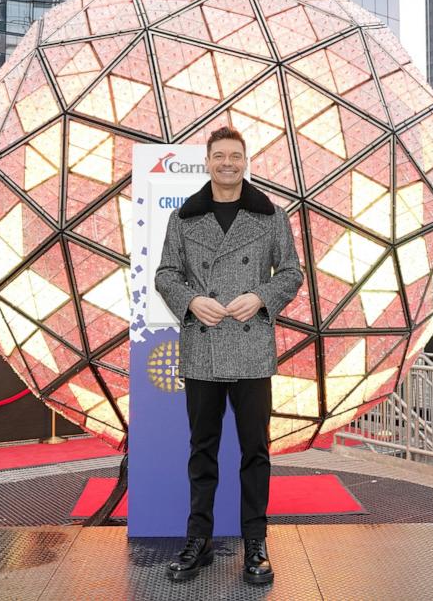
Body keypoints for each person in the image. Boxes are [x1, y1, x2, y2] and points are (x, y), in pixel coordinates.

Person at [155, 126, 303, 585]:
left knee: (255, 451)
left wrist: (260, 295)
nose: (227, 163)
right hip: (203, 346)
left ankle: (255, 543)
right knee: (203, 450)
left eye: (235, 156)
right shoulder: (183, 218)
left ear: (245, 162)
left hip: (251, 348)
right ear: (207, 162)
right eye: (219, 156)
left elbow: (293, 273)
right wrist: (191, 301)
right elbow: (165, 274)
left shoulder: (270, 216)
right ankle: (197, 540)